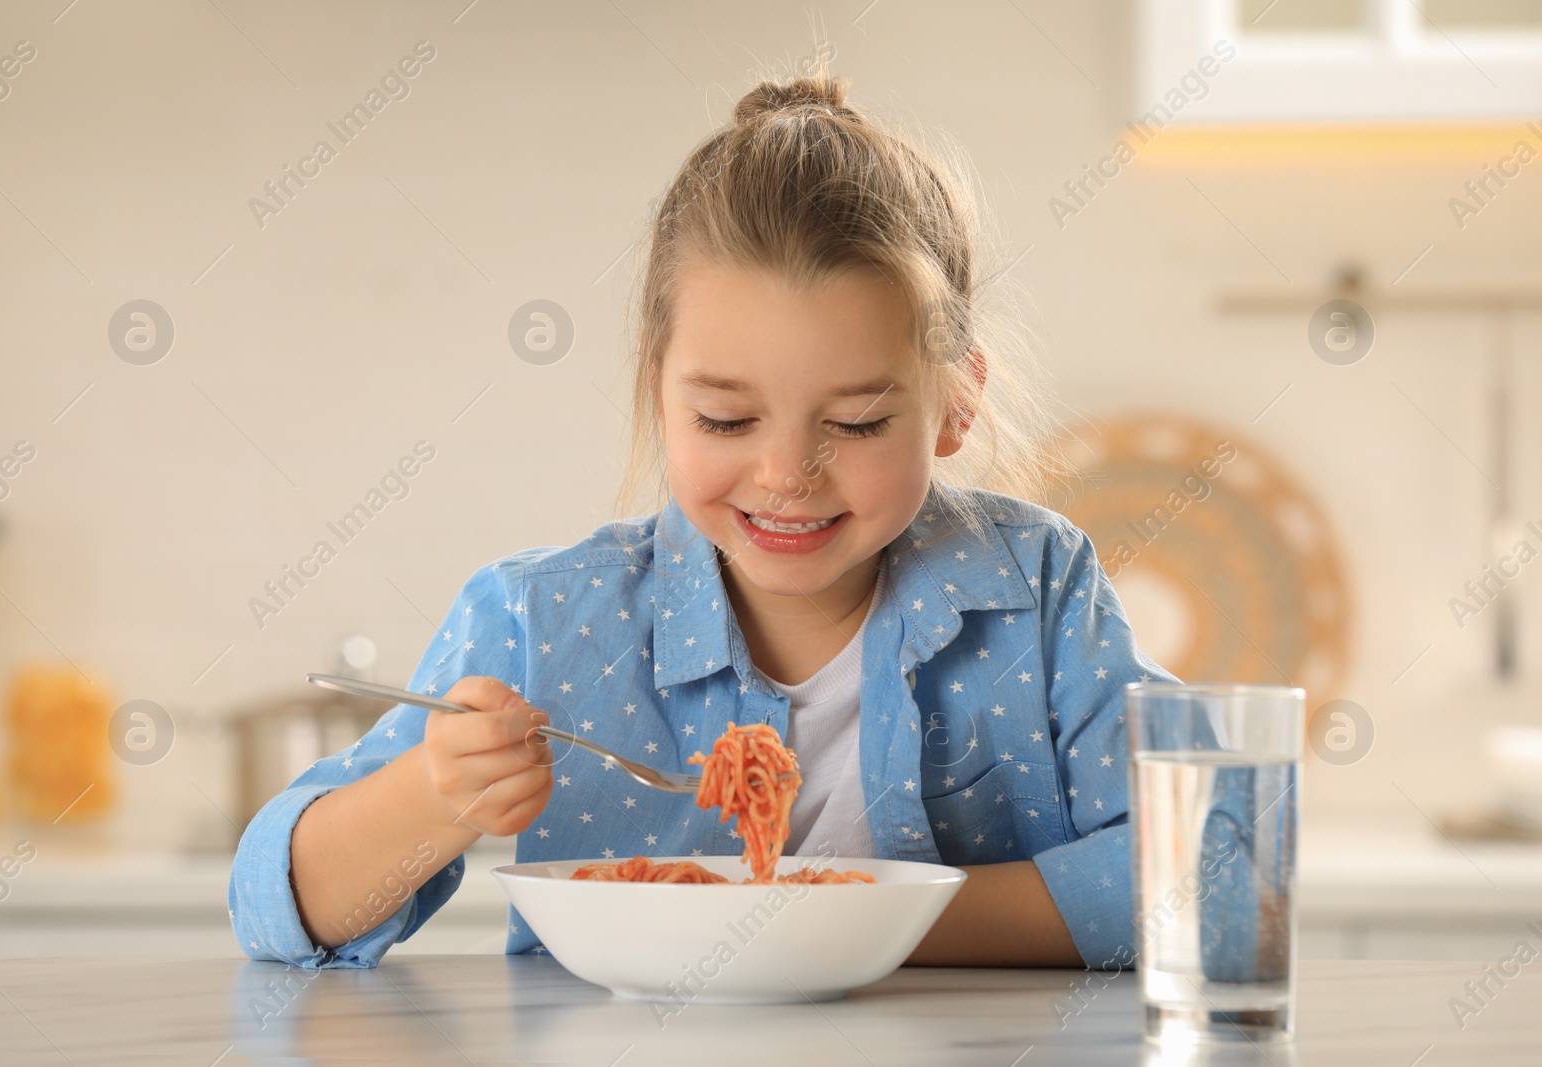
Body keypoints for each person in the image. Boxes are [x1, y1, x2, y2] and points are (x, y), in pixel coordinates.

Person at [229, 61, 1175, 971]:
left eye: (857, 422)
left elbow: (1203, 863)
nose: (786, 474)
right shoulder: (540, 626)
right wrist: (433, 795)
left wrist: (852, 919)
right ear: (658, 393)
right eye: (726, 418)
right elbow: (274, 910)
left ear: (957, 401)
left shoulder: (1035, 593)